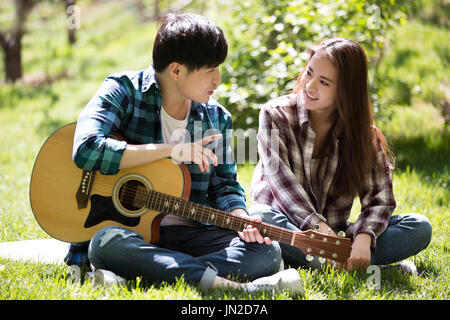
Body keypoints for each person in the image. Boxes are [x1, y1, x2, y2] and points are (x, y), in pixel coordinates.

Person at [64, 12, 304, 296]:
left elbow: (224, 184)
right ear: (176, 71)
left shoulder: (216, 118)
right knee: (105, 243)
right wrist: (169, 151)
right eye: (210, 69)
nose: (218, 78)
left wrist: (241, 217)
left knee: (267, 252)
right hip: (130, 233)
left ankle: (137, 274)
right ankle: (230, 286)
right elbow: (86, 149)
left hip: (192, 234)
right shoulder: (123, 91)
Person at [248, 37, 432, 273]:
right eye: (309, 73)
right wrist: (322, 233)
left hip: (337, 235)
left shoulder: (364, 135)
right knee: (260, 216)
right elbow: (283, 187)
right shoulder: (275, 115)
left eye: (324, 82)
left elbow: (380, 198)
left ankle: (321, 264)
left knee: (418, 226)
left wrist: (364, 238)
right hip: (288, 227)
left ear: (346, 91)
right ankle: (365, 268)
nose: (310, 85)